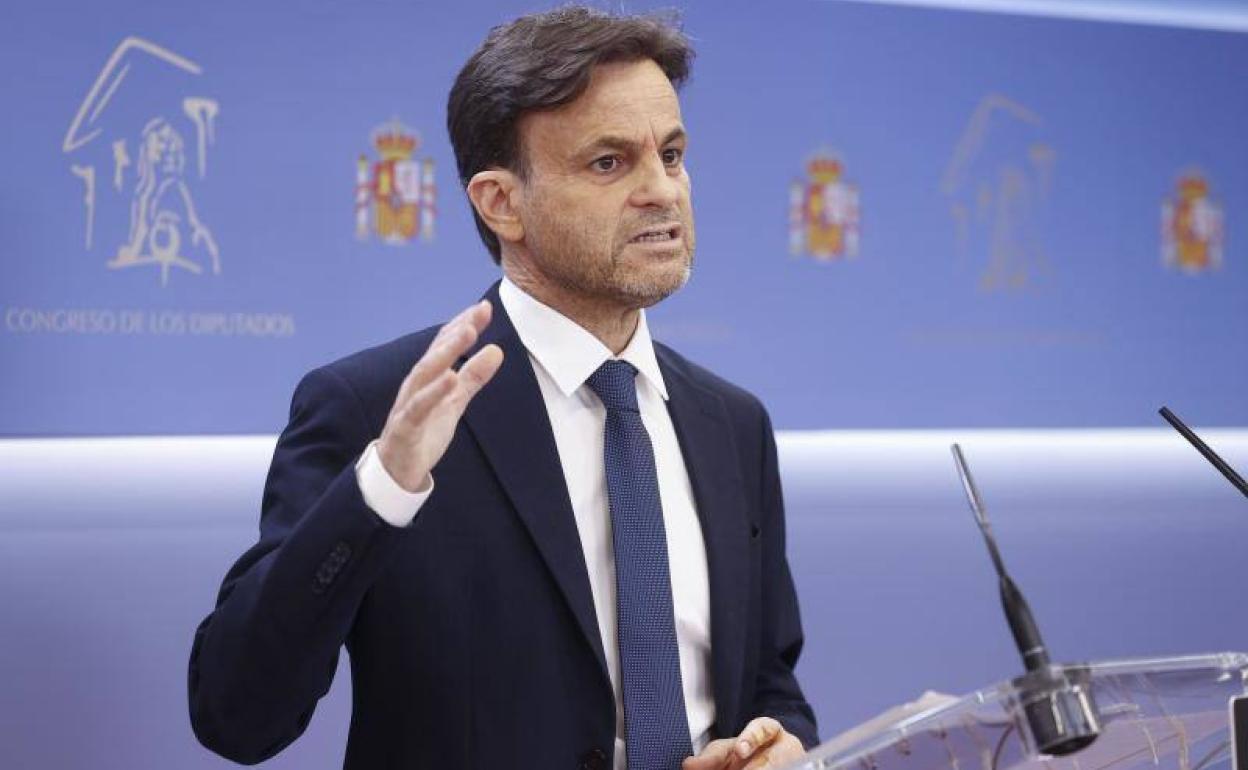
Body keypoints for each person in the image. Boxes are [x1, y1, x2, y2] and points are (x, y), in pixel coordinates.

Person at [189, 7, 817, 769]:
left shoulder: (732, 424)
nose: (662, 190)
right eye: (609, 163)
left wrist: (780, 745)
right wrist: (381, 489)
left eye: (673, 155)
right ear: (501, 202)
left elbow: (769, 682)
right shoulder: (377, 411)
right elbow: (237, 715)